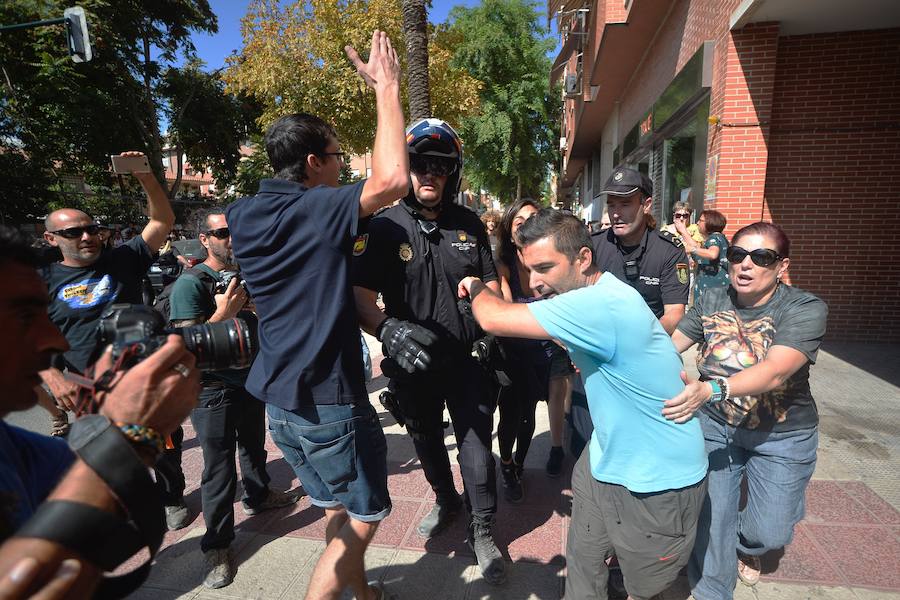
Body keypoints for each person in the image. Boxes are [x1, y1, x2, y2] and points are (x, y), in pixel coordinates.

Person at [226, 30, 409, 600]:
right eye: (334, 156)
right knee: (366, 515)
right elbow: (393, 182)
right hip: (328, 397)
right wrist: (387, 88)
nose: (339, 165)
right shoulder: (315, 208)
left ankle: (363, 594)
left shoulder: (242, 214)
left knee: (336, 506)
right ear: (312, 163)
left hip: (280, 398)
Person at [457, 209, 707, 600]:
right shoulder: (596, 294)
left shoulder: (598, 306)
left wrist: (474, 284)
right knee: (584, 566)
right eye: (529, 269)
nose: (535, 283)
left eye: (544, 268)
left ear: (583, 259)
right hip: (606, 456)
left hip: (658, 480)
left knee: (649, 589)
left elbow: (494, 316)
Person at [0, 225, 201, 598]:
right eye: (25, 316)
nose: (55, 341)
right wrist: (130, 438)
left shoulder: (19, 447)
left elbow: (93, 524)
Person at [353, 118, 507, 585]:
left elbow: (493, 281)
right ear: (408, 168)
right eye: (420, 163)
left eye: (439, 166)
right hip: (411, 362)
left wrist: (489, 327)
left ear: (451, 173)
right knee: (425, 441)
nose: (428, 174)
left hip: (468, 361)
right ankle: (446, 501)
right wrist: (388, 330)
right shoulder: (381, 228)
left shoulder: (469, 223)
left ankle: (483, 531)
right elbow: (359, 297)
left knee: (477, 449)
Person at [663, 222, 827, 600]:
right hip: (717, 427)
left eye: (761, 257)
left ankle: (747, 546)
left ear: (781, 266)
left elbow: (775, 372)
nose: (746, 265)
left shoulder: (804, 307)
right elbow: (672, 344)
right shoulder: (711, 299)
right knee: (713, 518)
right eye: (738, 255)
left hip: (783, 434)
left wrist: (712, 388)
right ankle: (711, 591)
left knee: (770, 532)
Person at [36, 152, 187, 529]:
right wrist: (52, 377)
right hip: (89, 387)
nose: (87, 237)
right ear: (51, 238)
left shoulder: (123, 258)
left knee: (164, 445)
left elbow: (161, 220)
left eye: (92, 229)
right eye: (74, 232)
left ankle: (171, 497)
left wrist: (145, 175)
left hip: (143, 377)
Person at [167, 207, 301, 588]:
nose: (232, 238)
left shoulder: (246, 275)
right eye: (223, 233)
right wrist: (223, 314)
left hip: (251, 380)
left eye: (236, 231)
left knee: (254, 448)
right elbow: (183, 348)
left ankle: (259, 494)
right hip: (212, 389)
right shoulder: (191, 284)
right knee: (219, 468)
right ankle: (217, 546)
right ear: (205, 239)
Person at [591, 166, 689, 334]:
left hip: (646, 344)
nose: (616, 214)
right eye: (612, 205)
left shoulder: (669, 250)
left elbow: (674, 313)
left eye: (625, 204)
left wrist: (638, 341)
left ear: (646, 205)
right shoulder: (593, 245)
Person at [676, 209, 730, 298]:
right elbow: (697, 248)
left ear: (710, 223)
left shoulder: (714, 238)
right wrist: (683, 230)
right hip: (709, 293)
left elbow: (712, 254)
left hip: (713, 295)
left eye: (701, 220)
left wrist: (692, 249)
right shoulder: (718, 238)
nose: (697, 223)